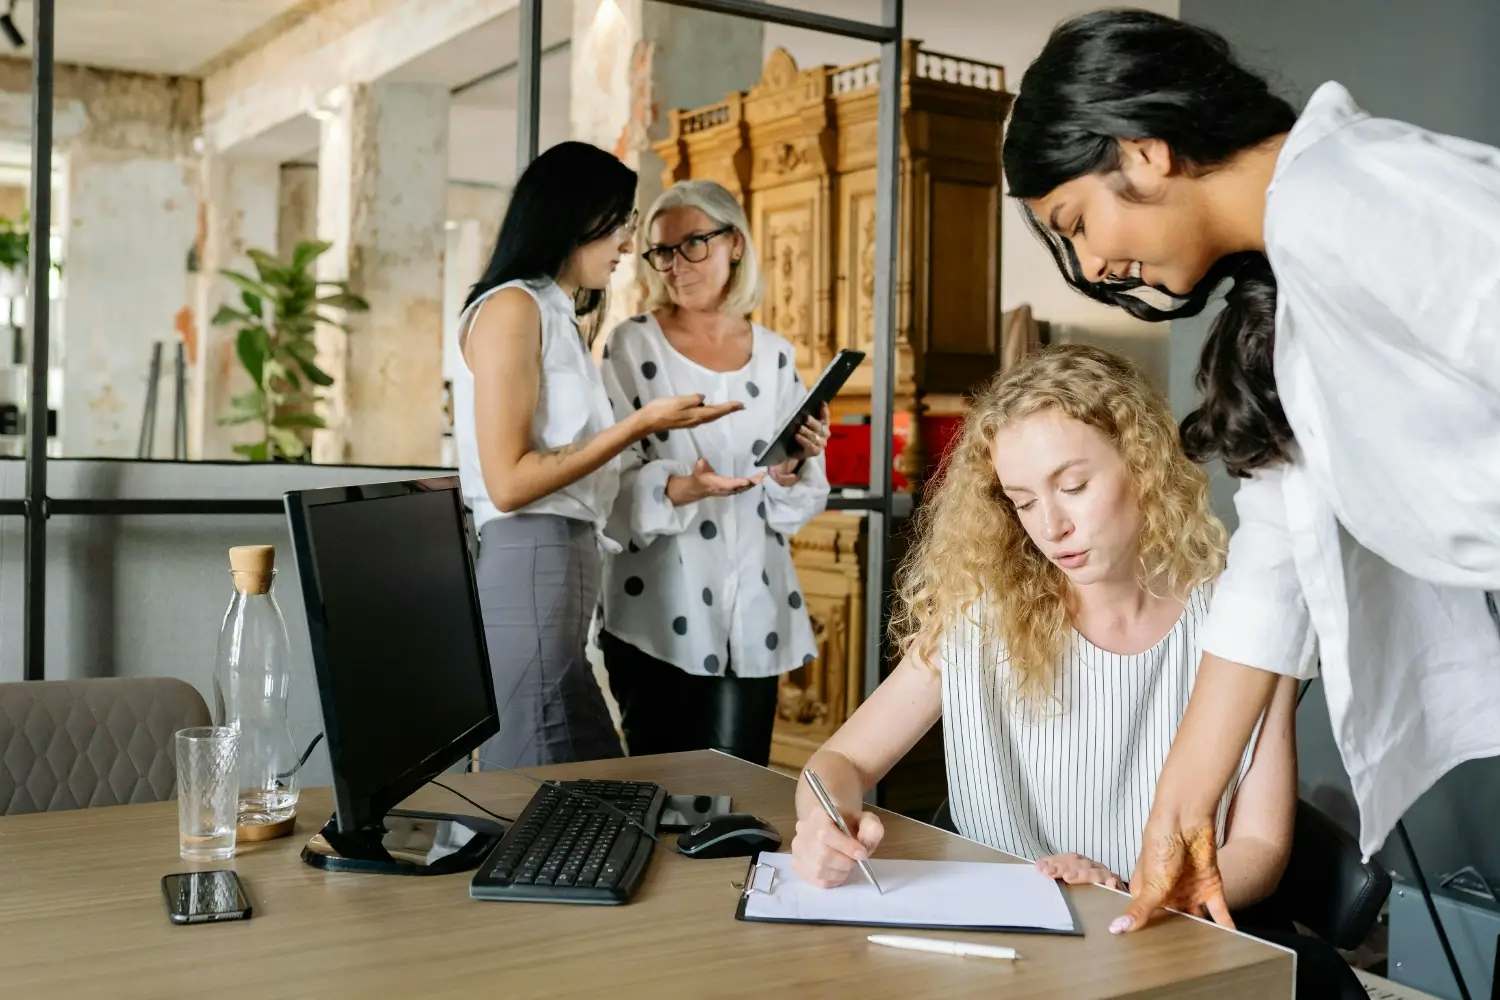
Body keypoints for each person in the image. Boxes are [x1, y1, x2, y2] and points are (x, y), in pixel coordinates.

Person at [1001, 9, 1500, 933]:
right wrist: (1179, 819)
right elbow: (1272, 568)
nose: (1097, 261)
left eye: (1077, 221)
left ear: (1142, 152)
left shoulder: (1353, 193)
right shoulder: (1291, 274)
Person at [789, 345, 1365, 998]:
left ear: (1141, 463)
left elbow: (1259, 846)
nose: (1052, 526)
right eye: (1024, 501)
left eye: (1073, 486)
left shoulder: (1246, 619)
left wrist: (1136, 893)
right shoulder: (979, 618)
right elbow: (838, 765)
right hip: (1005, 956)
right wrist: (823, 825)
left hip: (1167, 942)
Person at [454, 142, 740, 768]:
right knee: (539, 787)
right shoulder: (513, 307)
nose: (627, 243)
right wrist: (640, 424)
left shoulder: (552, 313)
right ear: (570, 216)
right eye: (619, 223)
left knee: (589, 781)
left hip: (560, 563)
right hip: (532, 555)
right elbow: (508, 482)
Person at [597, 179, 830, 767]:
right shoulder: (632, 346)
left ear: (734, 244)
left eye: (693, 244)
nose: (676, 265)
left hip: (755, 611)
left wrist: (793, 467)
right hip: (656, 615)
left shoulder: (776, 355)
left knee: (739, 802)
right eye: (663, 251)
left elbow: (796, 501)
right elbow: (607, 483)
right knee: (660, 799)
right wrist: (684, 488)